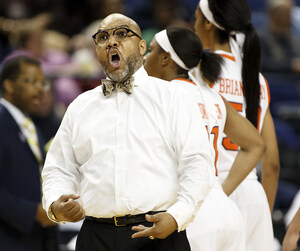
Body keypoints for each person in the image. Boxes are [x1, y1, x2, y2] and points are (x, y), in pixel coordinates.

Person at [42, 13, 216, 251]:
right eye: (103, 37)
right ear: (96, 50)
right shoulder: (80, 106)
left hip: (158, 233)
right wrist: (55, 204)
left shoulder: (173, 97)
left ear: (142, 46)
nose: (111, 42)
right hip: (95, 236)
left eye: (122, 34)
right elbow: (58, 168)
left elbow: (198, 163)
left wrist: (177, 216)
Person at [144, 25, 266, 250]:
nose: (144, 58)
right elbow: (256, 144)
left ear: (165, 59)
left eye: (150, 50)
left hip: (190, 214)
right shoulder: (213, 95)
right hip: (225, 211)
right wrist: (219, 190)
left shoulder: (162, 95)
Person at [193, 0, 280, 250]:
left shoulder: (197, 72)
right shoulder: (257, 78)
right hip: (253, 195)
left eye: (197, 18)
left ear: (208, 23)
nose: (194, 24)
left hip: (213, 191)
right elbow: (272, 163)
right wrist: (263, 214)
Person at [0, 55, 59, 250]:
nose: (40, 89)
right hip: (9, 236)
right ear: (8, 86)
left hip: (37, 236)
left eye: (42, 83)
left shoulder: (29, 123)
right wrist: (31, 212)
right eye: (31, 82)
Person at [258, 0, 300, 74]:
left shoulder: (293, 39)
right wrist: (290, 66)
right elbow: (261, 63)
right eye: (285, 13)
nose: (289, 17)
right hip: (272, 82)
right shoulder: (260, 37)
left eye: (289, 13)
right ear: (273, 14)